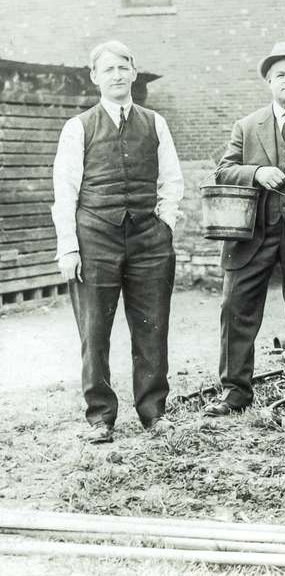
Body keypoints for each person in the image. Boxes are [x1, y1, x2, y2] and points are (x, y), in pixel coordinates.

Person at [52, 40, 184, 444]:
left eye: (124, 67)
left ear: (133, 72)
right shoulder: (78, 127)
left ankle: (153, 412)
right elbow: (65, 190)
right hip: (95, 239)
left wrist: (165, 224)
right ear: (95, 77)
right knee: (95, 330)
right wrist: (69, 247)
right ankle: (100, 417)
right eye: (108, 69)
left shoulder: (155, 122)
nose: (118, 75)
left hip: (148, 240)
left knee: (152, 327)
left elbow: (172, 180)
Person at [204, 42, 285, 423]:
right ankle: (234, 392)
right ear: (268, 81)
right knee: (236, 310)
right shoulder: (247, 126)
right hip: (252, 234)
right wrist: (256, 173)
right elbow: (223, 171)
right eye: (280, 74)